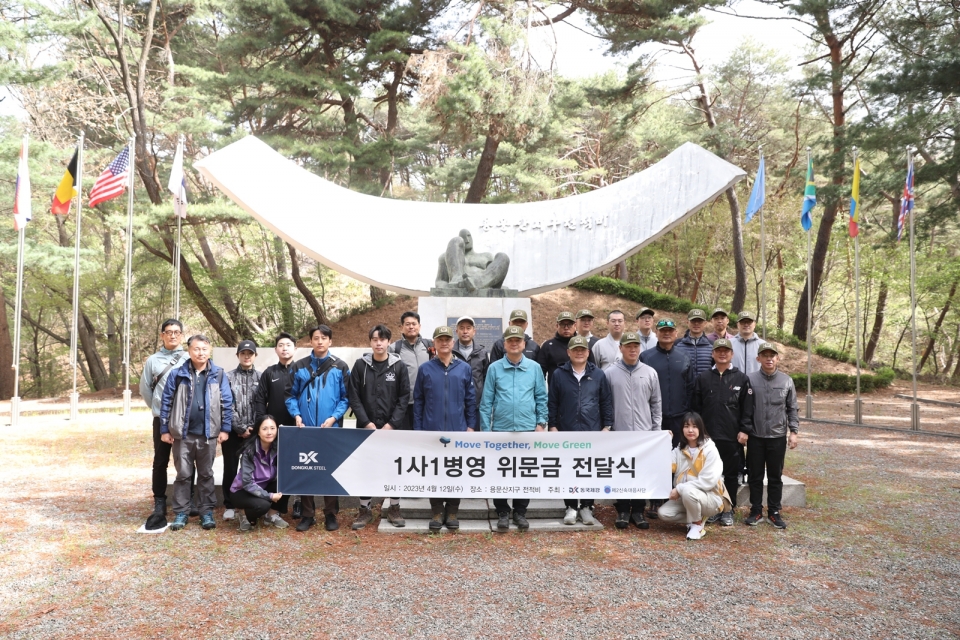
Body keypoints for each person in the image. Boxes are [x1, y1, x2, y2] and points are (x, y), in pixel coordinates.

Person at [160, 334, 233, 531]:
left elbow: (227, 402)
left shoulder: (218, 374)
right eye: (196, 349)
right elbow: (166, 402)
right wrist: (165, 429)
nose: (200, 352)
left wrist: (225, 428)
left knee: (206, 474)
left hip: (208, 434)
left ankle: (206, 512)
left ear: (209, 350)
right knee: (183, 474)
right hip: (182, 434)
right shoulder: (177, 374)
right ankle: (182, 512)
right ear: (189, 351)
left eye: (204, 349)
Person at [481, 325, 548, 532]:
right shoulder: (494, 368)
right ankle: (502, 511)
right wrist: (486, 431)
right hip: (500, 430)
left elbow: (541, 397)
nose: (514, 343)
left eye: (517, 340)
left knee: (524, 472)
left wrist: (541, 424)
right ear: (504, 344)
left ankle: (520, 511)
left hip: (527, 429)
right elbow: (486, 402)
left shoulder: (535, 368)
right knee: (500, 472)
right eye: (510, 340)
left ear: (524, 344)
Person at [286, 325, 350, 532]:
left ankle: (330, 514)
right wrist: (296, 415)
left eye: (324, 338)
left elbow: (346, 398)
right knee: (306, 469)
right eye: (316, 338)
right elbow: (290, 396)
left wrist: (334, 417)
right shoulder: (299, 367)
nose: (320, 341)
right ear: (310, 341)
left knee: (331, 471)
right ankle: (307, 514)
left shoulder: (340, 366)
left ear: (330, 341)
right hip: (305, 429)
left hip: (330, 429)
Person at [347, 324, 410, 529]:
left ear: (389, 342)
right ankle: (364, 510)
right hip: (366, 429)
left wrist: (392, 424)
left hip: (392, 430)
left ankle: (394, 507)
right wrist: (366, 422)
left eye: (382, 339)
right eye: (375, 339)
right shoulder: (360, 366)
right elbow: (354, 396)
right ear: (370, 342)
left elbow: (404, 397)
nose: (378, 343)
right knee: (365, 467)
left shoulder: (398, 366)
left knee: (394, 467)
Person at [413, 326, 477, 531]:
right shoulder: (426, 369)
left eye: (447, 339)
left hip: (458, 430)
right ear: (434, 343)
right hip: (432, 430)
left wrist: (471, 426)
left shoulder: (464, 368)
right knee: (434, 471)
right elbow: (419, 401)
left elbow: (470, 400)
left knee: (454, 470)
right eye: (440, 339)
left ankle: (452, 511)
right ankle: (437, 511)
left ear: (452, 342)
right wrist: (418, 430)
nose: (444, 343)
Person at [548, 335, 613, 526]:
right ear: (568, 352)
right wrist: (552, 425)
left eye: (582, 350)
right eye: (575, 350)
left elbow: (606, 402)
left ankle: (586, 507)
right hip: (567, 431)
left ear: (588, 352)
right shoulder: (559, 374)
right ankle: (570, 507)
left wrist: (607, 426)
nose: (579, 353)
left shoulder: (599, 374)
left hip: (592, 431)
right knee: (569, 469)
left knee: (588, 470)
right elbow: (552, 402)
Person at [690, 338, 754, 527]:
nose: (722, 353)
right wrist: (697, 433)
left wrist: (744, 430)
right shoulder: (703, 378)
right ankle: (712, 509)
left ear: (731, 354)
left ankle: (728, 509)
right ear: (713, 354)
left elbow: (747, 408)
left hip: (731, 436)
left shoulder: (741, 378)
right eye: (718, 351)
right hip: (707, 438)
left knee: (731, 475)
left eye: (726, 351)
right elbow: (696, 408)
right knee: (708, 475)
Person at [604, 331, 663, 530]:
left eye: (635, 346)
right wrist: (608, 428)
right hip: (619, 433)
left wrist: (656, 430)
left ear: (640, 348)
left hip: (644, 434)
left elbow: (656, 403)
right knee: (621, 471)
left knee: (641, 473)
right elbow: (605, 404)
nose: (632, 349)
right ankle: (622, 510)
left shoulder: (650, 372)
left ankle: (638, 510)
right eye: (628, 346)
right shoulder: (610, 373)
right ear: (620, 348)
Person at [745, 342, 800, 529]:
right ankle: (756, 510)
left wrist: (794, 432)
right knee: (755, 475)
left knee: (776, 476)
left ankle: (774, 511)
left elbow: (792, 408)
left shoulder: (786, 381)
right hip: (755, 436)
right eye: (765, 355)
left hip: (777, 436)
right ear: (758, 358)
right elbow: (745, 409)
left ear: (777, 358)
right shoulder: (750, 380)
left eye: (772, 355)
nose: (769, 358)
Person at [140, 319, 190, 517]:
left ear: (182, 335)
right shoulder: (153, 360)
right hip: (162, 418)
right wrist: (159, 409)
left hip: (185, 418)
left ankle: (188, 497)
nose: (172, 335)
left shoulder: (188, 358)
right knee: (160, 460)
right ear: (162, 335)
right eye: (168, 332)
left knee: (187, 459)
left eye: (176, 332)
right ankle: (159, 500)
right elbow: (145, 390)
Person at [657, 412, 731, 540]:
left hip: (711, 498)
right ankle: (695, 518)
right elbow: (668, 467)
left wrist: (679, 489)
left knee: (687, 490)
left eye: (694, 426)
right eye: (686, 426)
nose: (690, 430)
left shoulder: (710, 449)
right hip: (687, 497)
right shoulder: (680, 449)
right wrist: (666, 443)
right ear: (682, 429)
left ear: (700, 429)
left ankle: (697, 526)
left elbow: (707, 482)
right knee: (663, 513)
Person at [253, 332, 302, 518]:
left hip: (297, 429)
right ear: (276, 349)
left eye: (288, 345)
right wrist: (262, 423)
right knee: (276, 468)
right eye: (281, 345)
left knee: (296, 466)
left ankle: (298, 502)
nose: (284, 348)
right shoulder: (270, 372)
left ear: (295, 348)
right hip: (274, 431)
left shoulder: (302, 371)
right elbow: (260, 400)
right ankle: (276, 506)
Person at [223, 340, 261, 528]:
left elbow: (262, 404)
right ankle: (229, 504)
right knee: (230, 467)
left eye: (250, 353)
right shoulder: (227, 377)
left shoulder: (262, 377)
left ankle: (249, 502)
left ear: (255, 355)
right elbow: (226, 404)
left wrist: (253, 428)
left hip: (254, 432)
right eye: (243, 353)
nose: (247, 356)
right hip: (232, 432)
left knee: (251, 469)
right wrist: (239, 427)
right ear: (238, 355)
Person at [640, 319, 694, 449]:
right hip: (654, 419)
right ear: (656, 333)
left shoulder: (684, 356)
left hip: (680, 418)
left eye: (670, 331)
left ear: (676, 333)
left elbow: (690, 387)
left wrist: (689, 414)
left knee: (679, 455)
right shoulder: (646, 357)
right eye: (663, 330)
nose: (666, 333)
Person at [229, 415, 290, 532]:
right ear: (258, 431)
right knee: (263, 505)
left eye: (273, 428)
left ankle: (270, 516)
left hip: (264, 485)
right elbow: (247, 483)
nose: (269, 432)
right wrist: (270, 496)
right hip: (242, 491)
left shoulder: (277, 447)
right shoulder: (249, 451)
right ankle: (243, 514)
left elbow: (295, 447)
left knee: (286, 482)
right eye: (265, 429)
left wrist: (286, 433)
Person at [391, 311, 434, 430]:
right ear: (401, 327)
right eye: (407, 324)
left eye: (414, 324)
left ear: (419, 326)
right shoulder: (394, 348)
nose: (411, 327)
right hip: (403, 404)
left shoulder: (429, 345)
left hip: (426, 403)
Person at [435, 229, 510, 291]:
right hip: (459, 284)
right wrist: (447, 287)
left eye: (468, 236)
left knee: (503, 256)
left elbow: (496, 274)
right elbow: (439, 281)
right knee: (455, 240)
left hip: (483, 282)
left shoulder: (486, 256)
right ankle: (458, 278)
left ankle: (478, 282)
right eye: (463, 237)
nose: (466, 240)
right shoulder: (447, 257)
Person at [537, 311, 595, 383]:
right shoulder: (548, 346)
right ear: (557, 326)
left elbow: (592, 369)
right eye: (562, 324)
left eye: (569, 324)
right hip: (557, 390)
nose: (566, 328)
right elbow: (540, 373)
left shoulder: (583, 344)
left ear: (575, 325)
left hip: (582, 389)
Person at [452, 316, 489, 427]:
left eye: (468, 328)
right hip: (454, 406)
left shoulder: (482, 353)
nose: (465, 331)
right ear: (457, 331)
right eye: (462, 328)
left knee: (474, 442)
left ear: (474, 331)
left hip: (476, 406)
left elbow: (486, 378)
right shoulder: (450, 352)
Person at [676, 309, 715, 379]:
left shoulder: (712, 345)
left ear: (705, 323)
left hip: (705, 387)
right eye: (693, 320)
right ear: (687, 322)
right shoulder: (677, 344)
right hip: (684, 387)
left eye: (700, 321)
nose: (696, 323)